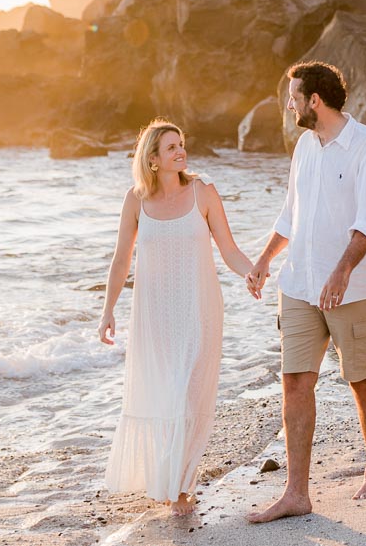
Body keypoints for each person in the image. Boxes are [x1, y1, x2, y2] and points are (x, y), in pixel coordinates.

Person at [245, 61, 366, 523]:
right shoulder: (305, 148)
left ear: (314, 100)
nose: (288, 105)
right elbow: (291, 215)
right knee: (295, 379)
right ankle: (296, 493)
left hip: (351, 288)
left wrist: (342, 272)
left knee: (360, 378)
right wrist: (266, 259)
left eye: (293, 97)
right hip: (300, 283)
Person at [100, 118, 259, 515]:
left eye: (181, 144)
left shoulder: (202, 193)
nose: (180, 151)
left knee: (189, 397)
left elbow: (229, 249)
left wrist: (252, 271)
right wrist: (108, 311)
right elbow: (121, 261)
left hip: (198, 308)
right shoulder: (136, 200)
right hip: (154, 315)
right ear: (152, 159)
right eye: (171, 147)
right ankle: (168, 480)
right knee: (165, 397)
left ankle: (182, 485)